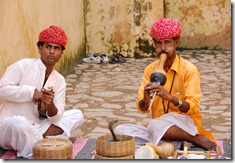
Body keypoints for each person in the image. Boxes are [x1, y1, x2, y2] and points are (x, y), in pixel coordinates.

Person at [114, 18, 217, 151]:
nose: (163, 48)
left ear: (176, 42)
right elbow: (143, 107)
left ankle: (194, 138)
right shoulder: (150, 69)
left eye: (167, 42)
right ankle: (177, 143)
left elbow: (192, 107)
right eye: (159, 43)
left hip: (186, 125)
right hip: (160, 127)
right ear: (154, 44)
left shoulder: (189, 70)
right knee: (120, 131)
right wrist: (146, 98)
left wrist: (170, 97)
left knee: (154, 125)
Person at [0, 25, 84, 158]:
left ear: (61, 53)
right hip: (9, 125)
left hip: (37, 126)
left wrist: (50, 105)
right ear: (40, 48)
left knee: (77, 115)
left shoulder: (60, 80)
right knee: (18, 123)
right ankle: (40, 146)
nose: (52, 51)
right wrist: (31, 92)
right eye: (48, 46)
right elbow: (2, 90)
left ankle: (36, 140)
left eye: (56, 48)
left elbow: (57, 117)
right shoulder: (23, 65)